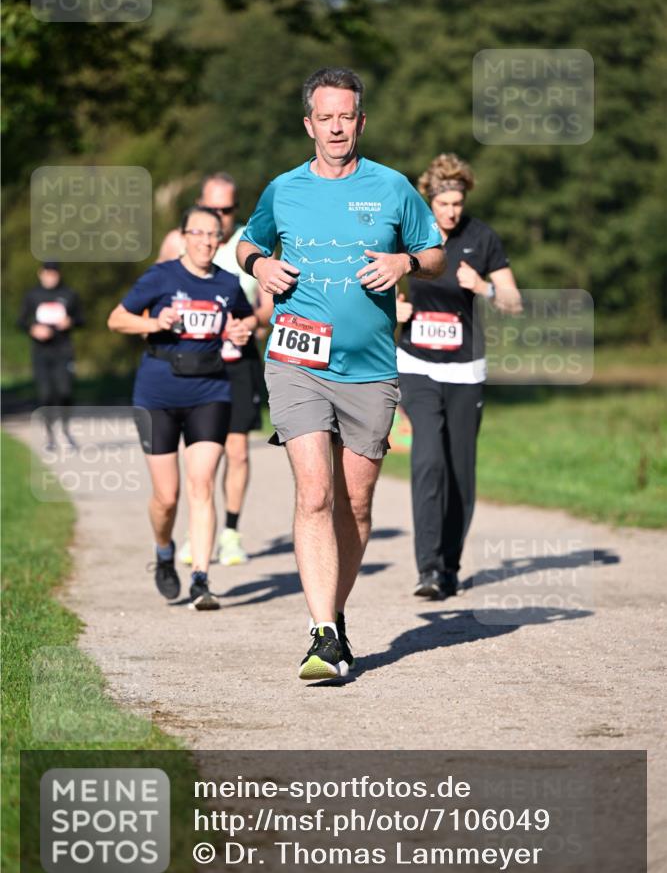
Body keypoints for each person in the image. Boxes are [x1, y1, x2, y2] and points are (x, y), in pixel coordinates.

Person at [236, 66, 445, 681]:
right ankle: (322, 633)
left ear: (361, 122)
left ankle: (336, 609)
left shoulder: (392, 187)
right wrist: (259, 267)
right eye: (324, 117)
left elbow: (435, 253)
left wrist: (406, 262)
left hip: (371, 369)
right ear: (309, 124)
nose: (335, 128)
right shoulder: (284, 189)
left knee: (355, 503)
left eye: (345, 117)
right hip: (296, 360)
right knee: (315, 493)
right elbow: (248, 243)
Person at [108, 206, 257, 609]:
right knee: (167, 497)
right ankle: (163, 550)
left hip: (210, 391)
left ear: (221, 240)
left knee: (202, 484)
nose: (206, 241)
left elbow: (246, 320)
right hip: (157, 394)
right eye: (199, 233)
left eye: (213, 235)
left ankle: (201, 579)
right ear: (184, 236)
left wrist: (241, 330)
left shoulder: (228, 283)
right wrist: (153, 324)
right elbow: (116, 319)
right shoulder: (160, 277)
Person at [396, 153, 521, 599]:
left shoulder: (481, 237)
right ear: (429, 200)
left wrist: (482, 287)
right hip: (417, 366)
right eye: (443, 204)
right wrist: (394, 308)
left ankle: (450, 565)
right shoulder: (410, 235)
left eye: (457, 204)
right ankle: (428, 568)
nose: (451, 212)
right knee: (428, 459)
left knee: (460, 470)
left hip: (466, 370)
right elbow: (379, 282)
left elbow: (513, 302)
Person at [158, 173, 272, 567]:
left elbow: (268, 308)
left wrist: (250, 322)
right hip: (191, 361)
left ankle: (231, 534)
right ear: (199, 204)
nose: (220, 217)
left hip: (237, 360)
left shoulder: (251, 244)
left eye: (227, 210)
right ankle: (197, 531)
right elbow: (157, 291)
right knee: (198, 452)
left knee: (236, 451)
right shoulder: (176, 242)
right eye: (212, 209)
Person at [18, 261, 84, 450]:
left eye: (54, 273)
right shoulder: (32, 295)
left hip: (63, 350)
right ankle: (49, 436)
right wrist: (33, 329)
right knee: (45, 394)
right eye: (47, 273)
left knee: (65, 391)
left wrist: (70, 322)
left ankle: (65, 431)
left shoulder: (69, 294)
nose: (51, 277)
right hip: (41, 352)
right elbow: (21, 321)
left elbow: (82, 319)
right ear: (41, 273)